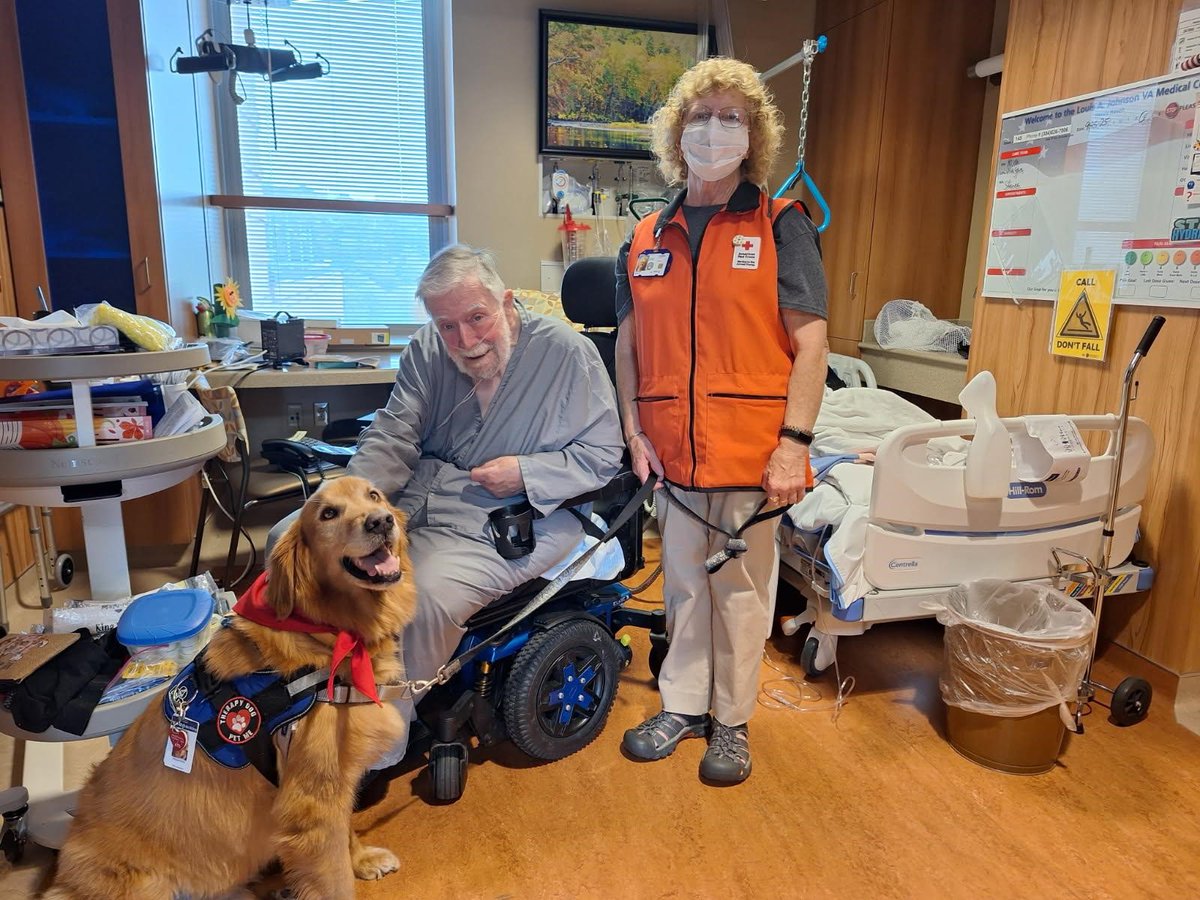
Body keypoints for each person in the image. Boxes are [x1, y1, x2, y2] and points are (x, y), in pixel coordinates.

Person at [267, 244, 624, 769]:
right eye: (447, 326)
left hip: (522, 515)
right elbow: (394, 432)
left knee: (423, 595)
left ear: (504, 302)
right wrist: (346, 501)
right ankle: (312, 692)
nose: (465, 340)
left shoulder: (568, 355)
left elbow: (601, 458)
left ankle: (378, 743)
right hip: (420, 497)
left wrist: (524, 473)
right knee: (290, 542)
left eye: (476, 318)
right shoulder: (428, 350)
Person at [614, 58, 828, 784]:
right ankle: (682, 704)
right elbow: (629, 343)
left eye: (731, 117)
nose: (714, 130)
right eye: (701, 117)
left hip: (750, 453)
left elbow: (811, 343)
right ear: (677, 133)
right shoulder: (645, 235)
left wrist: (794, 446)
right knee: (680, 585)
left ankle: (731, 722)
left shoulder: (781, 225)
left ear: (754, 133)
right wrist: (632, 432)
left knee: (739, 594)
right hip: (673, 455)